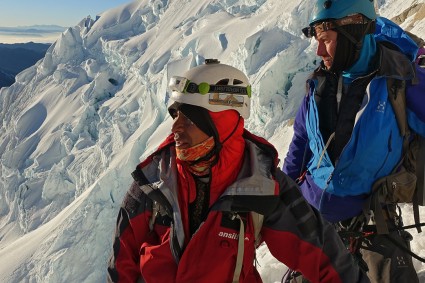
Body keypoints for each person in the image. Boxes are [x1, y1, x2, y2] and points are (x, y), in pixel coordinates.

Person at [107, 59, 369, 283]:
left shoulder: (261, 184)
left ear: (219, 122)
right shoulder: (154, 179)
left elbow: (319, 251)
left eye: (188, 119)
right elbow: (122, 263)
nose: (175, 129)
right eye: (175, 117)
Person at [282, 0, 425, 282]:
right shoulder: (319, 85)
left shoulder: (401, 81)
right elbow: (300, 144)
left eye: (326, 40)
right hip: (315, 223)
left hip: (373, 221)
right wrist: (282, 202)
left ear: (354, 33)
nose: (319, 51)